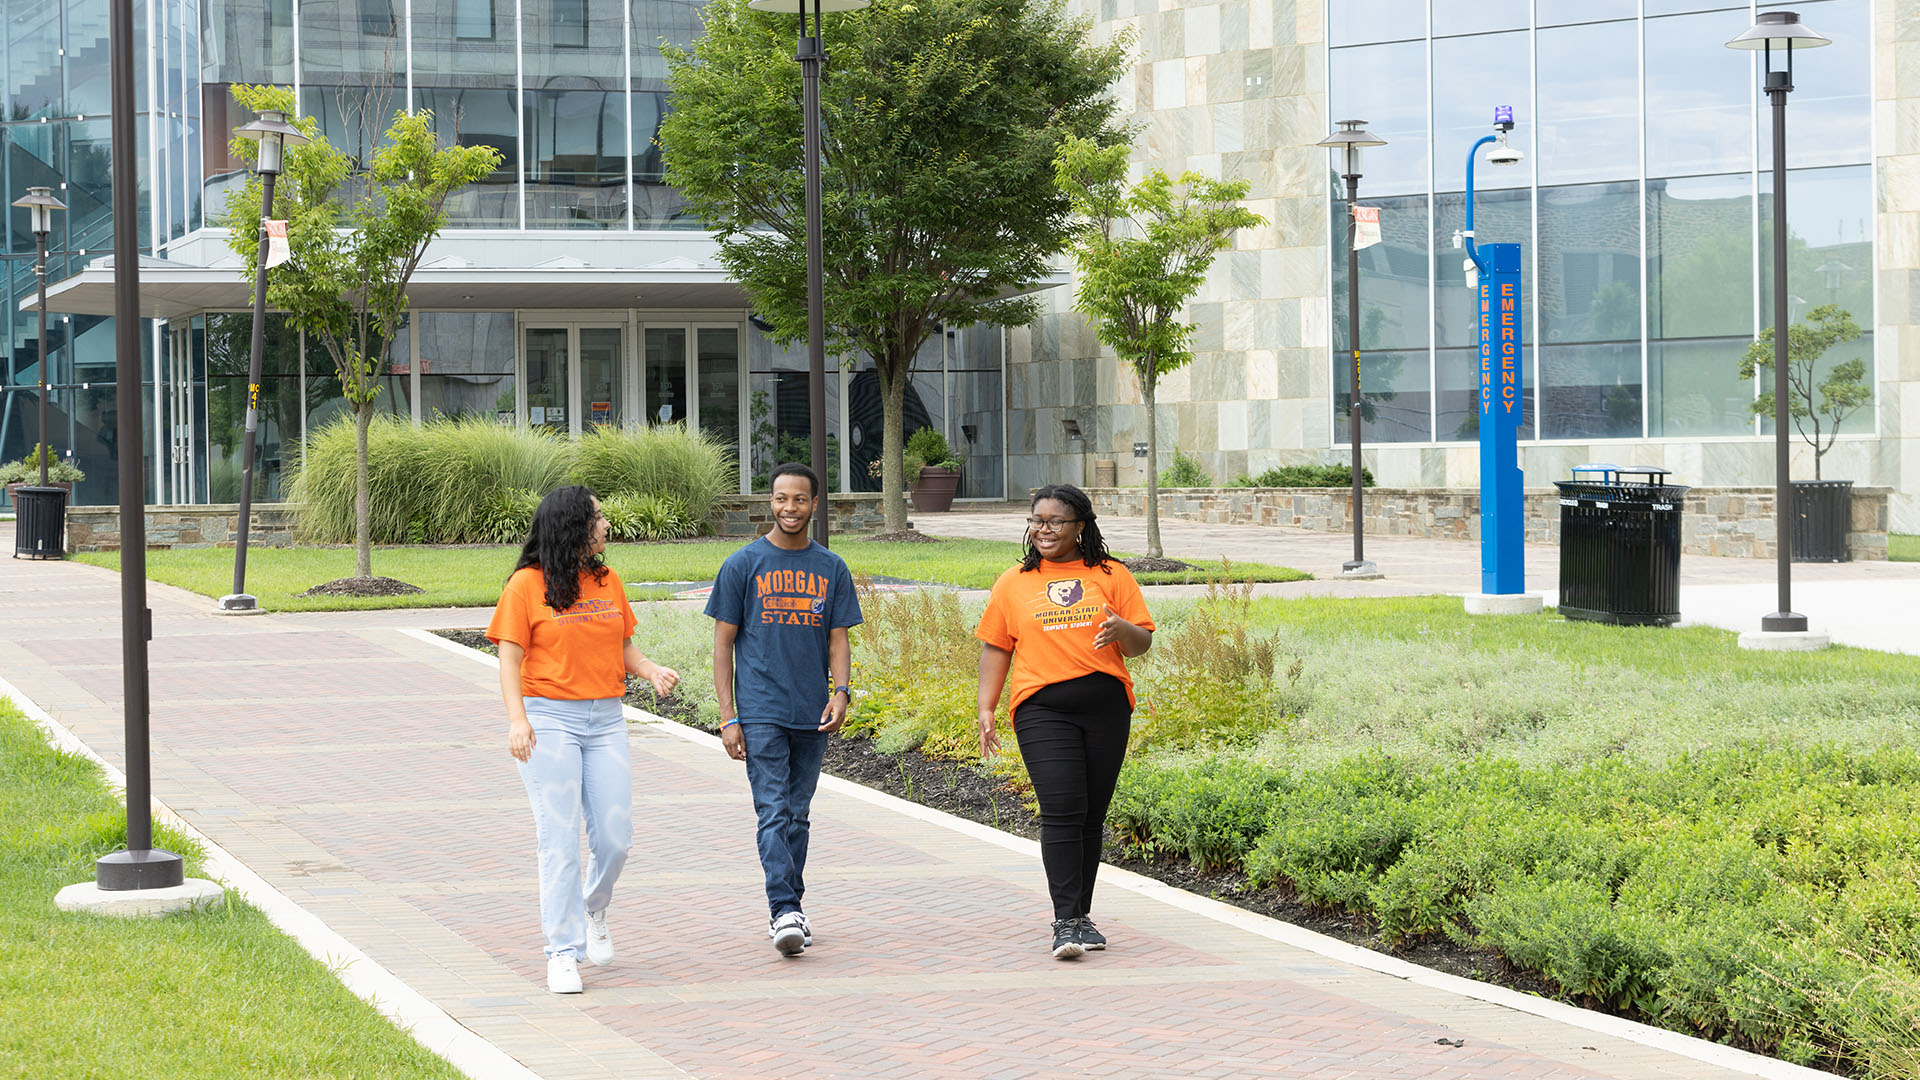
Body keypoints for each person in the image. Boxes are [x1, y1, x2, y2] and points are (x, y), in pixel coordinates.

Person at [488, 485, 680, 994]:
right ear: (574, 525)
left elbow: (622, 646)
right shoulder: (525, 586)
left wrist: (649, 669)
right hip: (549, 717)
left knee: (615, 839)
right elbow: (509, 659)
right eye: (597, 517)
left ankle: (593, 907)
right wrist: (516, 719)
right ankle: (561, 951)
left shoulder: (607, 579)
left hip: (607, 719)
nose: (606, 525)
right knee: (559, 840)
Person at [975, 483, 1154, 960]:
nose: (1044, 529)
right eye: (1036, 520)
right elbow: (997, 646)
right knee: (1062, 808)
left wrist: (1125, 629)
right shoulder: (1013, 582)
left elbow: (1141, 643)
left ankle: (1082, 916)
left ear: (1081, 526)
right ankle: (1065, 921)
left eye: (1055, 521)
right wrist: (986, 707)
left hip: (1106, 706)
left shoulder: (1111, 574)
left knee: (1092, 814)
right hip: (1042, 708)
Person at [707, 462, 862, 956]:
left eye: (799, 499)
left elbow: (838, 639)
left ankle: (790, 907)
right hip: (761, 710)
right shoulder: (743, 564)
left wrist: (841, 692)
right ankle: (784, 910)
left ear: (815, 505)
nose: (789, 508)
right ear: (768, 503)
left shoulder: (830, 568)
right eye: (780, 499)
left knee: (798, 814)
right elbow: (722, 646)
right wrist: (730, 716)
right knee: (773, 810)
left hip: (812, 710)